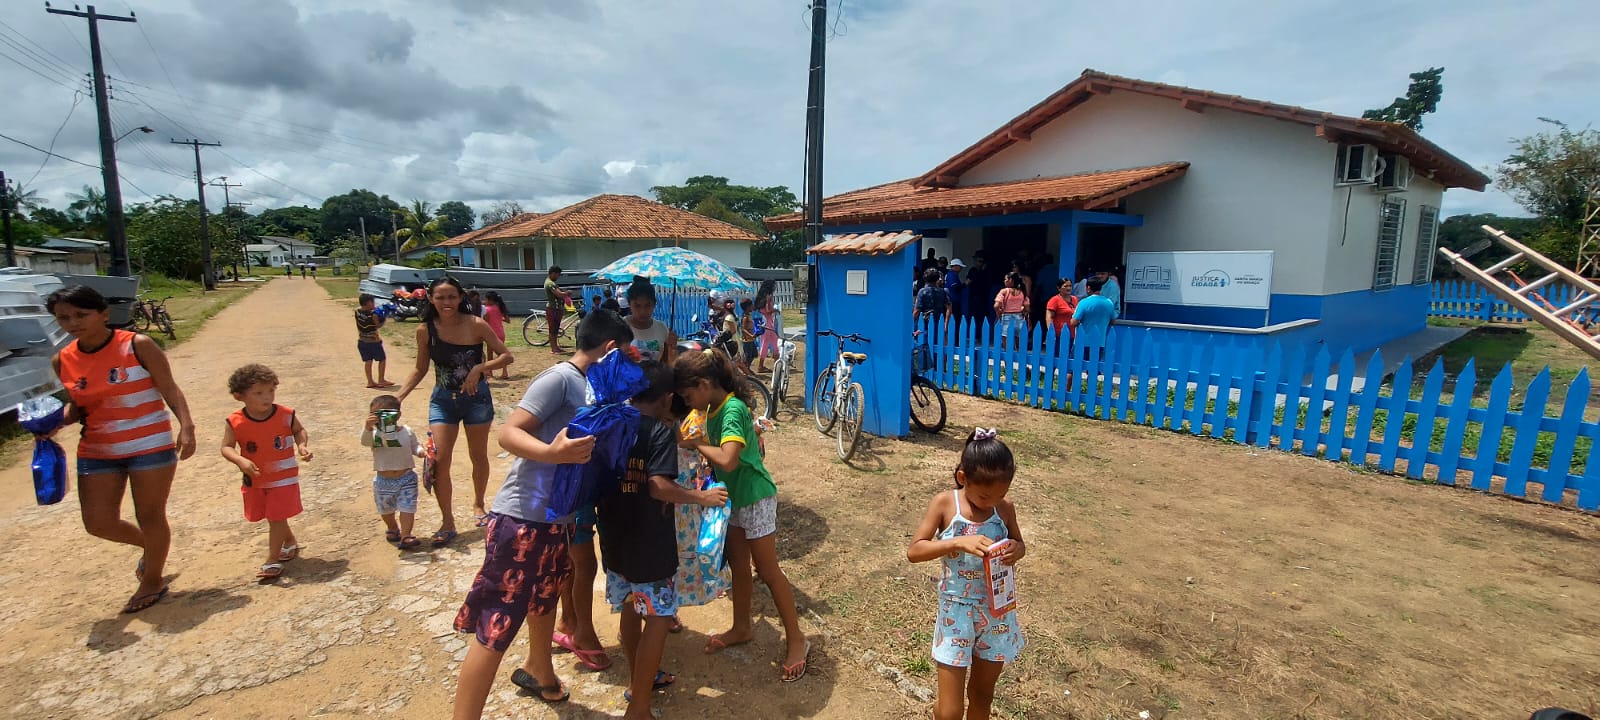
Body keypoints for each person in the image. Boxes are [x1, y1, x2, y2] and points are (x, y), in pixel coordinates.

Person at [451, 310, 634, 718]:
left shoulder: (590, 387)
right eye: (622, 355)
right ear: (608, 351)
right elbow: (509, 432)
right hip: (522, 519)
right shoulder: (559, 379)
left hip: (556, 519)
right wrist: (552, 453)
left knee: (544, 598)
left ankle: (539, 669)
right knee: (496, 628)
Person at [48, 285, 197, 613]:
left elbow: (169, 388)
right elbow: (78, 406)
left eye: (81, 314)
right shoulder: (63, 360)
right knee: (98, 523)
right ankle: (152, 546)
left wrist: (186, 427)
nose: (73, 322)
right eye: (63, 317)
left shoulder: (137, 345)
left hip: (149, 444)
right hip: (97, 449)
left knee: (150, 515)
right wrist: (51, 424)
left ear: (103, 314)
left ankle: (152, 579)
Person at [597, 361, 728, 718]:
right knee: (657, 616)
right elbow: (657, 486)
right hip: (650, 544)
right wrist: (701, 497)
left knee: (627, 606)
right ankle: (639, 707)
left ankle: (638, 680)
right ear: (668, 397)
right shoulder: (657, 433)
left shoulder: (610, 423)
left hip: (614, 535)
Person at [674, 350, 810, 682]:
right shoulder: (709, 407)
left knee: (767, 569)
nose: (688, 403)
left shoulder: (732, 409)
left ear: (705, 385)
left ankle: (797, 639)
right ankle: (741, 626)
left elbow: (729, 460)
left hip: (755, 498)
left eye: (688, 396)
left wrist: (698, 443)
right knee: (739, 566)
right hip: (732, 500)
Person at [906, 428, 1026, 720]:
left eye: (1001, 493)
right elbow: (915, 551)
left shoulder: (1004, 508)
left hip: (997, 613)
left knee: (982, 697)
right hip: (956, 614)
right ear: (963, 478)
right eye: (985, 495)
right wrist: (958, 541)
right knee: (949, 712)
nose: (992, 501)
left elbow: (1020, 544)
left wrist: (1015, 549)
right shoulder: (946, 504)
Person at [394, 277, 514, 546]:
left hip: (477, 400)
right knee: (438, 461)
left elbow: (506, 356)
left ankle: (479, 504)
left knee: (478, 456)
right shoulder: (425, 330)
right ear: (431, 300)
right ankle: (447, 522)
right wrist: (399, 396)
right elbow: (420, 368)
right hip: (442, 402)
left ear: (460, 298)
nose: (446, 303)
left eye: (451, 297)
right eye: (440, 297)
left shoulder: (476, 325)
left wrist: (479, 368)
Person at [220, 364, 312, 581]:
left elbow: (299, 430)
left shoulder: (285, 414)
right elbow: (226, 447)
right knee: (272, 516)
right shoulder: (235, 421)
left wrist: (302, 445)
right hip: (256, 478)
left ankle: (272, 560)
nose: (267, 397)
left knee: (276, 516)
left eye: (271, 390)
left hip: (283, 477)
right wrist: (240, 460)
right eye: (259, 393)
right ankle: (289, 542)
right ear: (239, 396)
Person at [363, 394, 424, 550]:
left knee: (407, 507)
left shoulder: (406, 431)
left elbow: (414, 447)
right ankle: (392, 527)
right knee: (386, 510)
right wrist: (368, 428)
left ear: (397, 415)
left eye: (386, 414)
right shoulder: (375, 435)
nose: (381, 419)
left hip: (406, 478)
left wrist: (422, 452)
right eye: (376, 415)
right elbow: (365, 442)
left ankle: (406, 535)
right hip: (383, 480)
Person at [625, 277, 677, 364]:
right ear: (629, 304)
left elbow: (667, 364)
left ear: (654, 304)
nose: (642, 311)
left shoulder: (661, 328)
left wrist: (671, 348)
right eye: (637, 305)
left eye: (647, 305)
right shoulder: (621, 327)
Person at [1070, 277, 1116, 364]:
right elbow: (1113, 322)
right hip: (1099, 342)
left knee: (1073, 369)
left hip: (1082, 341)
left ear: (1088, 288)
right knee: (1093, 370)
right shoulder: (1109, 303)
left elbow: (1073, 322)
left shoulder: (1084, 302)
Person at [356, 293, 396, 389]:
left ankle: (370, 381)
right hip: (373, 341)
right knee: (382, 359)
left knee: (368, 361)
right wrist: (384, 318)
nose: (374, 304)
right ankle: (381, 380)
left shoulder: (357, 311)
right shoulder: (373, 315)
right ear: (368, 303)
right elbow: (377, 325)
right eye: (372, 302)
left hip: (362, 341)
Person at [993, 272, 1030, 350]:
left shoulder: (1004, 291)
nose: (1004, 281)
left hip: (1007, 318)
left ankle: (1008, 361)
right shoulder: (1022, 292)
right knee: (1019, 346)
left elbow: (996, 306)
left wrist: (999, 312)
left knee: (1007, 346)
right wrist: (1022, 311)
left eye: (1006, 279)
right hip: (1019, 318)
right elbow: (1027, 308)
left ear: (1011, 280)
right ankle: (1020, 361)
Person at [481, 291, 512, 380]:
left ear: (490, 300)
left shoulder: (487, 309)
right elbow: (508, 320)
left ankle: (490, 372)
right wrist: (498, 319)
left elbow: (485, 321)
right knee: (502, 353)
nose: (484, 301)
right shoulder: (500, 308)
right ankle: (504, 371)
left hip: (492, 334)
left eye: (486, 299)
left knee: (491, 354)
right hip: (501, 333)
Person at [1045, 278, 1078, 353]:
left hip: (1071, 333)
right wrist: (1051, 332)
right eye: (1065, 286)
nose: (1068, 288)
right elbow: (1049, 317)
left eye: (1070, 286)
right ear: (1059, 288)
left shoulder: (1075, 299)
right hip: (1058, 334)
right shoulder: (1054, 300)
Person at [544, 266, 571, 353]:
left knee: (555, 329)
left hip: (556, 308)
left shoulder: (551, 283)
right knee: (553, 329)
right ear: (553, 273)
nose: (558, 277)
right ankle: (554, 348)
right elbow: (559, 294)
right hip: (553, 309)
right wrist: (567, 293)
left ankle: (556, 347)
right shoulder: (550, 284)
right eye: (557, 275)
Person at [753, 286, 780, 374]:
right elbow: (768, 310)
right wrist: (774, 308)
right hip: (768, 324)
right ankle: (774, 364)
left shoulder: (760, 299)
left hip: (766, 323)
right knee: (773, 344)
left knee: (765, 344)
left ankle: (764, 365)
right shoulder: (767, 299)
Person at [738, 298, 759, 368]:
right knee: (748, 356)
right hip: (747, 340)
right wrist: (751, 335)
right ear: (748, 307)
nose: (752, 306)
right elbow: (743, 329)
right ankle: (746, 368)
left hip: (751, 339)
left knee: (754, 354)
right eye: (751, 305)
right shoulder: (745, 317)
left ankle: (747, 367)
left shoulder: (749, 315)